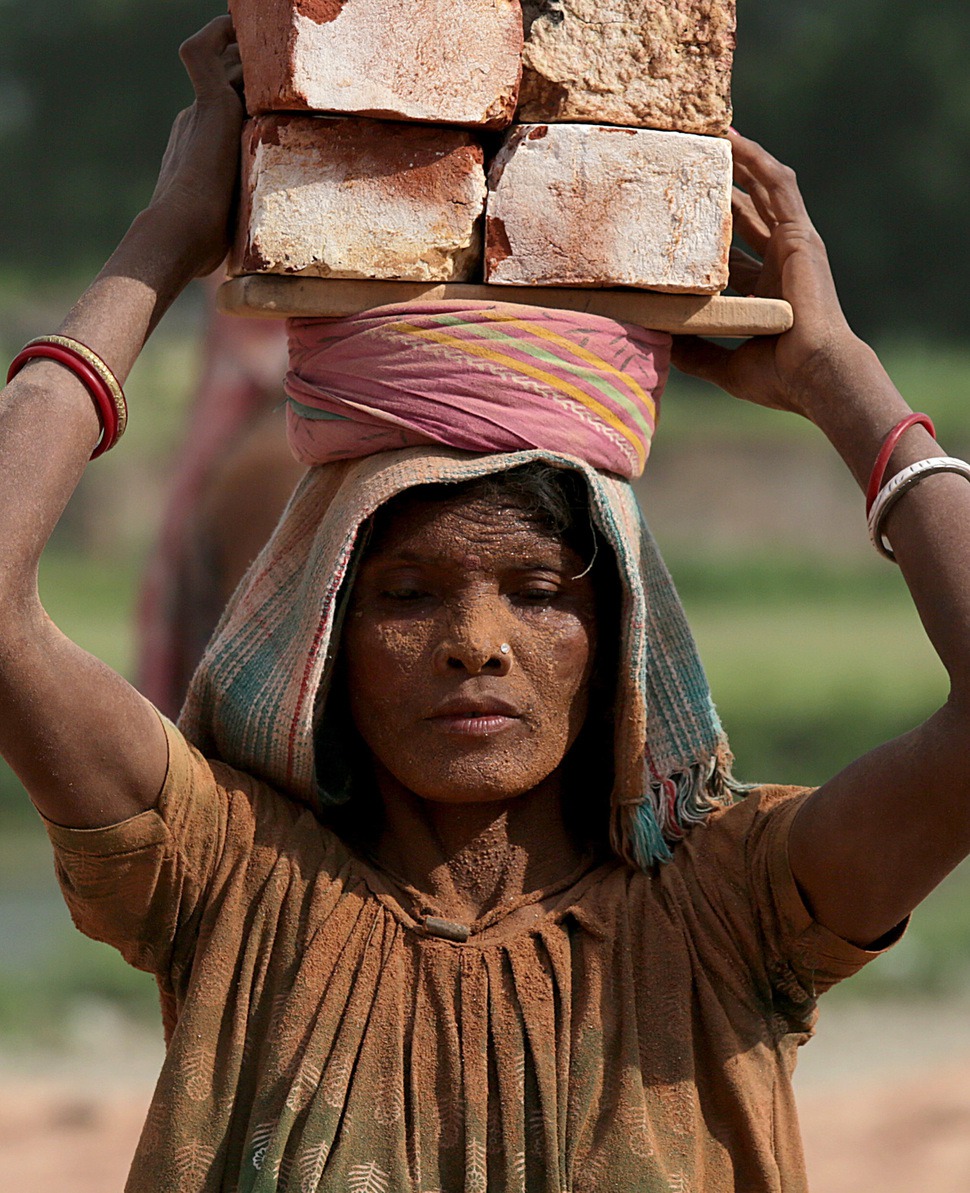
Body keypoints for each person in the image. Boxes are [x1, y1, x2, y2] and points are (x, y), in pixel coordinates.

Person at [3, 15, 970, 1193]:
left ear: (614, 628)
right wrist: (163, 242)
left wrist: (839, 378)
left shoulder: (732, 911)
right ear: (327, 632)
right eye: (406, 594)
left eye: (537, 591)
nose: (475, 645)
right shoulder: (231, 883)